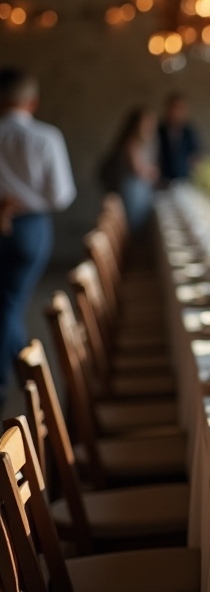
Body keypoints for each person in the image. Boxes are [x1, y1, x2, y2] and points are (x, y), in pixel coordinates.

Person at [0, 69, 75, 407]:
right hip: (30, 227)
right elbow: (61, 195)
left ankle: (22, 371)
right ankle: (15, 375)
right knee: (10, 303)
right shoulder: (46, 137)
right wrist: (27, 199)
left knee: (7, 303)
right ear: (32, 101)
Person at [101, 107, 159, 235]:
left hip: (138, 191)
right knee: (134, 226)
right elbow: (137, 169)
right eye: (148, 122)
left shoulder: (142, 143)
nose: (151, 127)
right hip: (132, 191)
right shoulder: (131, 142)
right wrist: (152, 172)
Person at [157, 92, 201, 184]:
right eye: (175, 107)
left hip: (183, 180)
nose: (177, 112)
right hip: (162, 182)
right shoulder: (158, 131)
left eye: (181, 108)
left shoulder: (188, 131)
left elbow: (195, 155)